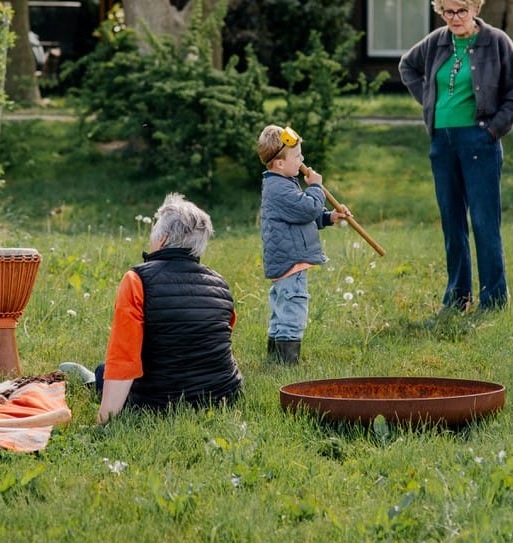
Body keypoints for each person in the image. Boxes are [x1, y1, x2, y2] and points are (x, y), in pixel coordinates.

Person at [399, 0, 513, 311]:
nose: (454, 18)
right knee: (452, 221)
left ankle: (494, 299)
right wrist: (430, 102)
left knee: (484, 221)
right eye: (447, 12)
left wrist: (491, 131)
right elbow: (407, 66)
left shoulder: (496, 42)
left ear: (476, 9)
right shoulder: (436, 41)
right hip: (442, 141)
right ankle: (458, 297)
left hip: (479, 140)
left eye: (461, 11)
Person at [96, 193, 243, 423]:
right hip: (224, 394)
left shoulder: (137, 280)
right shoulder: (221, 283)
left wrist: (104, 420)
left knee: (101, 372)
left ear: (162, 239)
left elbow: (123, 361)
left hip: (160, 401)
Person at [258, 124, 350, 364]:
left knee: (282, 307)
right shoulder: (279, 188)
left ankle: (275, 356)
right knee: (293, 307)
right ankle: (287, 362)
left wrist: (329, 217)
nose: (302, 160)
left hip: (286, 259)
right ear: (279, 163)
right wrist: (317, 187)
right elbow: (307, 208)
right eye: (297, 156)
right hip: (291, 260)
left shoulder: (282, 184)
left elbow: (303, 216)